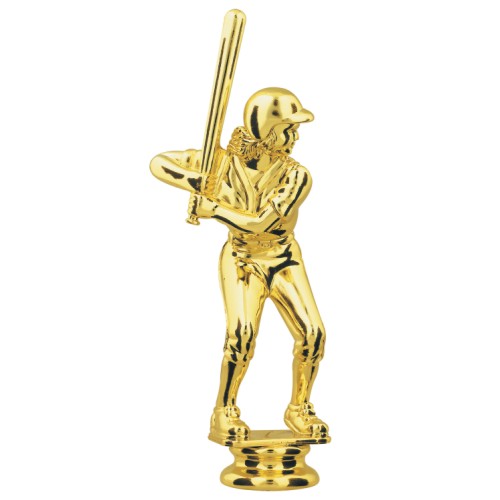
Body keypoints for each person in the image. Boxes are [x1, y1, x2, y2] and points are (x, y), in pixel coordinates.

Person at [150, 88, 329, 441]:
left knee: (313, 334)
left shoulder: (297, 176)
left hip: (283, 257)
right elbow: (159, 163)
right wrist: (195, 181)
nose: (295, 137)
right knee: (241, 335)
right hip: (241, 258)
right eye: (289, 129)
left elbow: (260, 223)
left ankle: (299, 408)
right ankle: (224, 411)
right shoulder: (220, 163)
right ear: (268, 132)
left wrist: (213, 208)